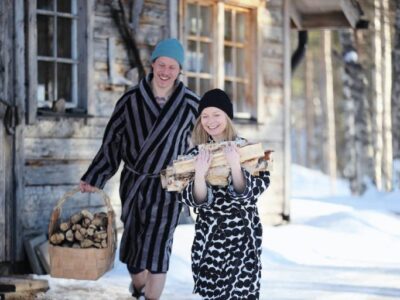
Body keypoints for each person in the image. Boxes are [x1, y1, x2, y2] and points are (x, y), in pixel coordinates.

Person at [79, 38, 199, 300]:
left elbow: (203, 142)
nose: (166, 71)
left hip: (169, 186)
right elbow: (112, 142)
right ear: (153, 64)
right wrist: (95, 176)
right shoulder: (130, 99)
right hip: (134, 183)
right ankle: (140, 287)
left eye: (172, 67)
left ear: (180, 70)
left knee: (159, 247)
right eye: (162, 64)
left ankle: (151, 297)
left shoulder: (190, 104)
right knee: (134, 250)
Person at [179, 89, 270, 300]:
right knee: (212, 295)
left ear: (227, 117)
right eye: (205, 116)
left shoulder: (247, 150)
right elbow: (196, 201)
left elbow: (252, 192)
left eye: (216, 114)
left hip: (242, 237)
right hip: (210, 236)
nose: (210, 121)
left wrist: (235, 167)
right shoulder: (195, 155)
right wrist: (200, 175)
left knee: (242, 294)